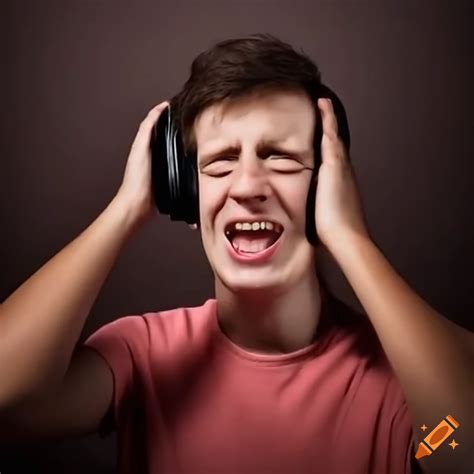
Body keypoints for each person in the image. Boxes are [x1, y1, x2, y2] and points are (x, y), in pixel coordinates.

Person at [0, 33, 472, 474]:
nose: (247, 185)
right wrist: (124, 210)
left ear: (324, 185)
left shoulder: (407, 377)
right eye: (220, 160)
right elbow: (8, 397)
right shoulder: (143, 360)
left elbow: (457, 448)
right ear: (183, 190)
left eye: (279, 156)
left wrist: (349, 237)